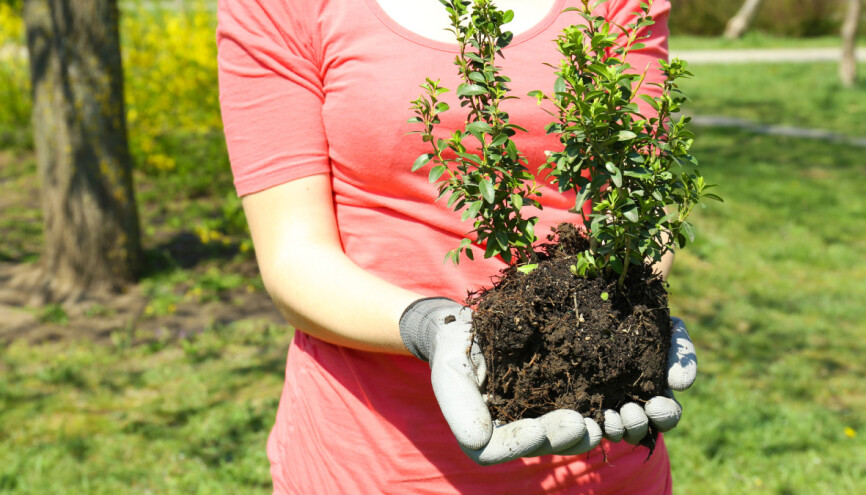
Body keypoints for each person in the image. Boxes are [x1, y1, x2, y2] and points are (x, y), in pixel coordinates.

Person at [216, 0, 696, 493]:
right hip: (373, 459)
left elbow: (639, 198)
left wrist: (634, 299)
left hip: (602, 466)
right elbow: (294, 255)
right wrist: (429, 327)